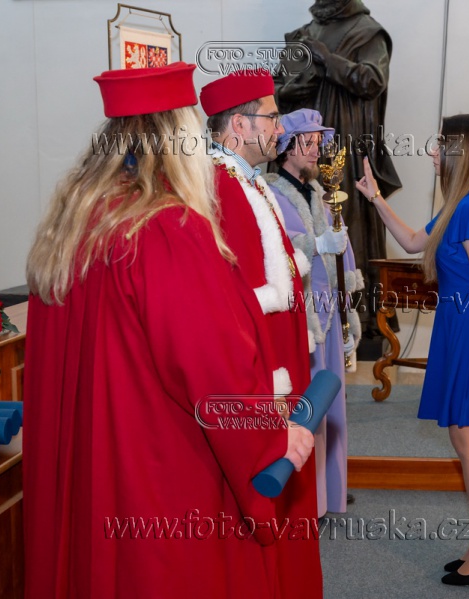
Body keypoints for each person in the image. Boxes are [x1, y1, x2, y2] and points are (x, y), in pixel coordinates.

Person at [23, 63, 316, 599]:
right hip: (163, 474)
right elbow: (214, 371)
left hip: (97, 469)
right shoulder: (167, 229)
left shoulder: (73, 226)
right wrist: (274, 443)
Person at [355, 114, 469, 587]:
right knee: (465, 438)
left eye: (440, 144)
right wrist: (375, 198)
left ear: (461, 150)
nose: (431, 151)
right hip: (457, 327)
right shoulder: (459, 204)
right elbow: (410, 241)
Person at [200, 70, 324, 597]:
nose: (280, 128)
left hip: (284, 371)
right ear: (237, 125)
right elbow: (231, 309)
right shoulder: (221, 187)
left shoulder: (251, 181)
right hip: (262, 382)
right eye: (272, 117)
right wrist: (265, 392)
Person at [276, 0, 402, 333]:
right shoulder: (302, 34)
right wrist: (289, 91)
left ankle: (357, 317)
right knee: (294, 221)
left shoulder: (367, 32)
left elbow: (372, 81)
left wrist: (327, 58)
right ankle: (300, 312)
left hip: (343, 143)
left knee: (346, 221)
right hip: (295, 152)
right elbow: (274, 89)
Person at [265, 108, 363, 515]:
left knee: (332, 403)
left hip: (329, 314)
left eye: (318, 141)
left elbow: (342, 254)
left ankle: (330, 490)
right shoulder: (271, 193)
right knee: (306, 403)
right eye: (308, 141)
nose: (315, 149)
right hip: (301, 318)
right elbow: (275, 248)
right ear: (287, 147)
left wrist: (350, 316)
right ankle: (307, 498)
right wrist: (315, 245)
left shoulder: (321, 193)